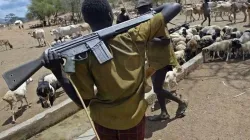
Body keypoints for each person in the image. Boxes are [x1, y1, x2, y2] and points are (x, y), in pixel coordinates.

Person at [43, 0, 182, 139]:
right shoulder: (134, 35)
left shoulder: (80, 56)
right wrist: (139, 19)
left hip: (104, 122)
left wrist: (58, 72)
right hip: (133, 118)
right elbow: (174, 6)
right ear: (111, 15)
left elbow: (83, 101)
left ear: (86, 21)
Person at [136, 0, 188, 121]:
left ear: (149, 8)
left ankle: (181, 102)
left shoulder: (158, 21)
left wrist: (150, 38)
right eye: (139, 10)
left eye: (143, 9)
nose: (141, 12)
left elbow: (166, 41)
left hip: (162, 60)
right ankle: (164, 113)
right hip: (153, 59)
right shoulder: (146, 22)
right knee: (156, 87)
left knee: (158, 88)